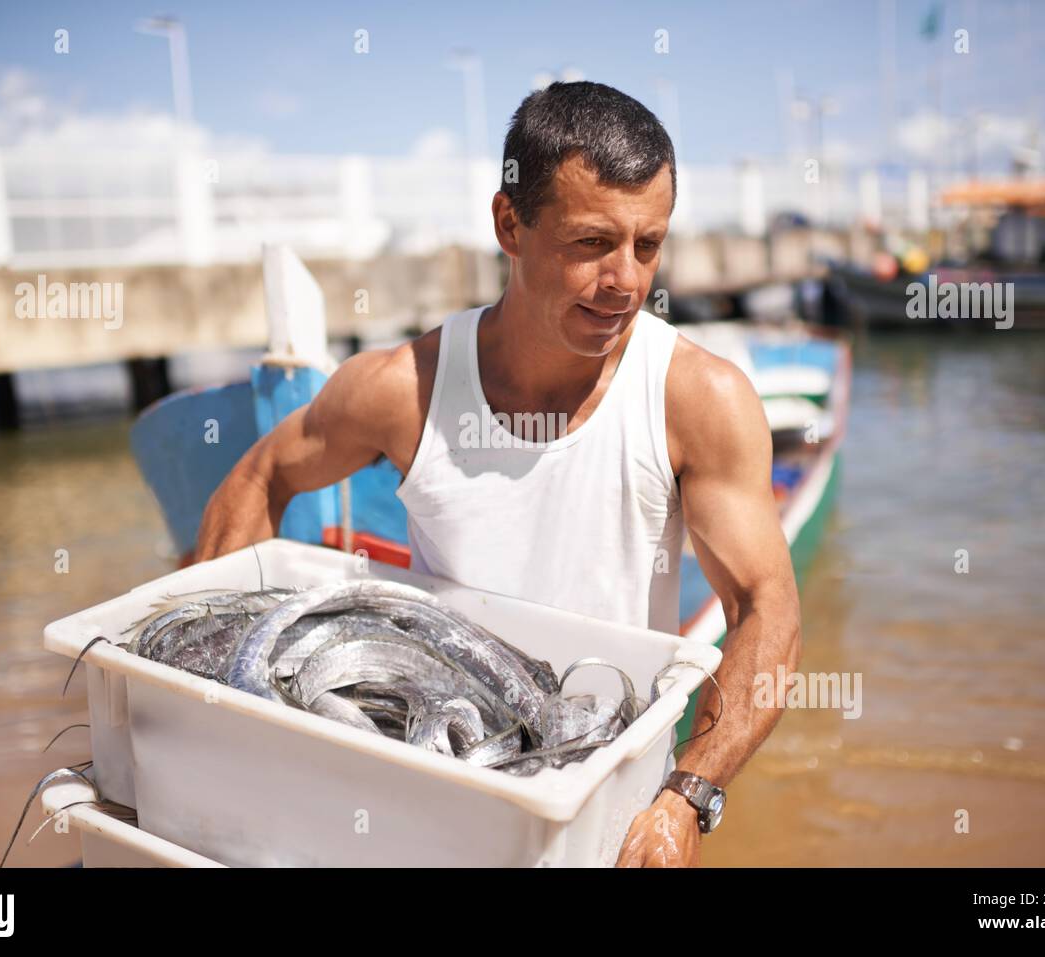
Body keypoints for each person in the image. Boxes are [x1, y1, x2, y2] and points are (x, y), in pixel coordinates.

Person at [196, 80, 801, 867]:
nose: (626, 281)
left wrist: (686, 797)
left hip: (609, 812)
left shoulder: (698, 399)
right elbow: (260, 476)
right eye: (592, 243)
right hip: (433, 790)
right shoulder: (404, 390)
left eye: (647, 245)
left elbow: (766, 608)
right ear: (510, 224)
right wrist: (210, 698)